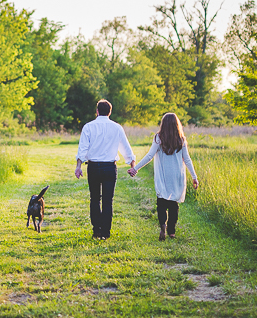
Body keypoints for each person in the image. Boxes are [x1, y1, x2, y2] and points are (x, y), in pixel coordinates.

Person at [128, 112, 199, 241]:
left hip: (163, 176)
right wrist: (194, 177)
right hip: (177, 176)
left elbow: (149, 156)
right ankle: (171, 231)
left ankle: (163, 225)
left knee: (161, 203)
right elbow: (187, 159)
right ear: (177, 124)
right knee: (174, 205)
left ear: (163, 124)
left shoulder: (158, 138)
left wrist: (135, 168)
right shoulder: (181, 140)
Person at [75, 99, 136, 240]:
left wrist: (78, 166)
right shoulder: (117, 128)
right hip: (110, 167)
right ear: (110, 112)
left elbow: (82, 148)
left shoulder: (88, 127)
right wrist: (132, 164)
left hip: (93, 167)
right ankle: (105, 233)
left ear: (97, 111)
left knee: (95, 199)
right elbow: (126, 148)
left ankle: (97, 231)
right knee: (108, 201)